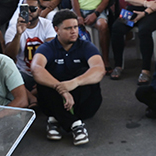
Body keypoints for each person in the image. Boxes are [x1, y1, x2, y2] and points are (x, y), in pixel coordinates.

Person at [30, 10, 106, 146]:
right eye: (68, 28)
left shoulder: (86, 46)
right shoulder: (46, 48)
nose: (73, 31)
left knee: (85, 72)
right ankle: (76, 125)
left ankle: (55, 120)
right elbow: (36, 69)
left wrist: (75, 82)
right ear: (56, 29)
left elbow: (99, 69)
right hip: (55, 99)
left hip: (83, 104)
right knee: (44, 79)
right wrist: (62, 90)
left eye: (75, 27)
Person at [4, 0, 56, 88]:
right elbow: (9, 55)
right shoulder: (13, 29)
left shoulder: (47, 25)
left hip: (45, 71)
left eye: (32, 9)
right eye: (25, 9)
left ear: (40, 11)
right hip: (23, 74)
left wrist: (41, 75)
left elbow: (51, 50)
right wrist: (18, 34)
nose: (29, 12)